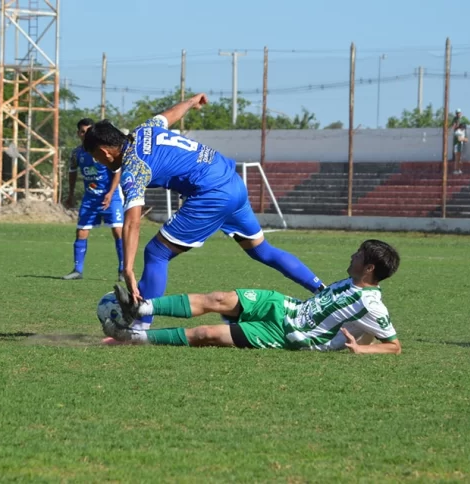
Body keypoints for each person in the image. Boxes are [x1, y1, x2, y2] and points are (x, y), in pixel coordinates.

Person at [82, 93, 324, 331]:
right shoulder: (145, 129)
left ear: (105, 152)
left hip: (212, 194)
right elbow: (170, 115)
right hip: (232, 182)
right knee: (262, 250)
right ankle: (323, 292)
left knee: (156, 253)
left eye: (97, 158)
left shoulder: (134, 168)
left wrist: (127, 267)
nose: (101, 163)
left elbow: (133, 223)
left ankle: (139, 327)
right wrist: (190, 101)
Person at [103, 239, 401, 354]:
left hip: (285, 333)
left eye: (358, 255)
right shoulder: (350, 282)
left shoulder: (372, 305)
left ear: (370, 267)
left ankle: (133, 338)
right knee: (218, 298)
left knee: (207, 333)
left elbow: (394, 346)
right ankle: (140, 308)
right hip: (283, 305)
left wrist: (362, 350)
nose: (352, 255)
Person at [62, 118, 124, 281]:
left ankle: (123, 270)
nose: (85, 134)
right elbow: (72, 172)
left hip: (111, 197)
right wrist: (70, 194)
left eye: (88, 131)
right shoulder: (77, 153)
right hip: (90, 198)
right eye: (82, 132)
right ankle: (77, 270)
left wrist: (111, 193)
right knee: (81, 232)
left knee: (118, 231)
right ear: (78, 134)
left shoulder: (103, 149)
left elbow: (117, 171)